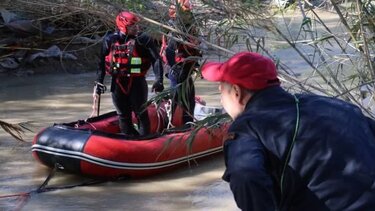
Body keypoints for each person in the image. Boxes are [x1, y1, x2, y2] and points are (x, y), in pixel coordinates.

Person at [201, 51, 375, 210]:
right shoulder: (337, 107)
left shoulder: (247, 128)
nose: (221, 99)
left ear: (237, 92)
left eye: (221, 90)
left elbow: (246, 175)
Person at [94, 11, 164, 136]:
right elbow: (101, 62)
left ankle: (144, 144)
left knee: (141, 114)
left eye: (137, 25)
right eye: (132, 26)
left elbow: (156, 60)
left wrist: (159, 80)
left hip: (137, 83)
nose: (136, 28)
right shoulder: (109, 40)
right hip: (117, 83)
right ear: (122, 26)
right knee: (123, 116)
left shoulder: (143, 40)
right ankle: (130, 141)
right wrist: (99, 82)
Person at [161, 0, 201, 125]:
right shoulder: (176, 30)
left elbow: (194, 49)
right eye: (188, 13)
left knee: (189, 99)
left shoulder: (188, 29)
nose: (190, 15)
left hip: (186, 70)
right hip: (178, 70)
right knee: (177, 98)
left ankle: (187, 124)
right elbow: (169, 51)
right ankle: (170, 124)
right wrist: (174, 68)